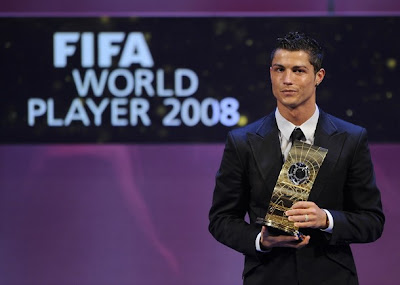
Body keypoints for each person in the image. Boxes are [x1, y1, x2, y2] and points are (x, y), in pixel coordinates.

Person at [208, 32, 385, 285]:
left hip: (332, 277)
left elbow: (372, 221)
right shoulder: (242, 141)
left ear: (318, 77)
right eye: (280, 69)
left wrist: (326, 219)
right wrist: (261, 240)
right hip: (267, 276)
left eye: (299, 70)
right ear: (271, 73)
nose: (287, 80)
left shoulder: (351, 138)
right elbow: (221, 220)